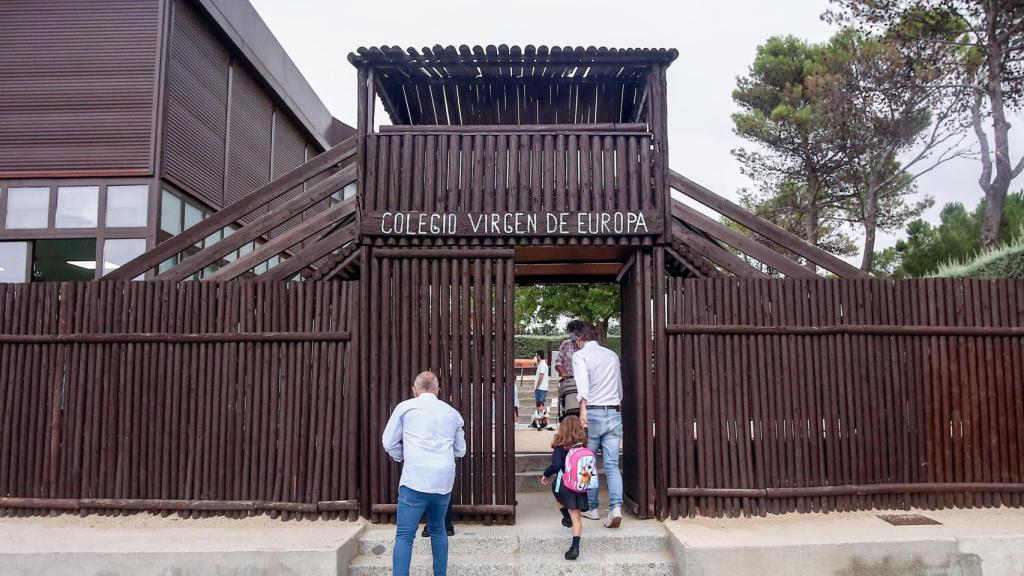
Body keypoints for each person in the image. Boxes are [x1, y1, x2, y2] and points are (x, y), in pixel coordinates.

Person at [382, 371, 466, 576]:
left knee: (404, 536)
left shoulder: (405, 407)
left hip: (415, 478)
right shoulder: (453, 413)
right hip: (443, 481)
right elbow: (460, 450)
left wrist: (401, 456)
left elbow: (388, 442)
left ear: (414, 390)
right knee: (438, 530)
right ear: (438, 390)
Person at [571, 321, 624, 528]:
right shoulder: (612, 355)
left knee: (589, 464)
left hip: (592, 411)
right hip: (613, 411)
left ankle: (592, 508)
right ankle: (615, 507)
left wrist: (583, 407)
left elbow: (582, 382)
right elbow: (619, 388)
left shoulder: (580, 356)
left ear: (579, 339)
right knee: (611, 465)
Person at [541, 415, 590, 560]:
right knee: (577, 517)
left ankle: (565, 516)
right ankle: (575, 547)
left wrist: (546, 474)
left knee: (555, 490)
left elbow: (556, 466)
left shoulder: (560, 446)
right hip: (579, 484)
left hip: (564, 483)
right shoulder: (582, 445)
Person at [556, 320, 582, 421]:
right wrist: (563, 373)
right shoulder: (565, 344)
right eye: (570, 331)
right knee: (569, 413)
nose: (572, 334)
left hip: (583, 384)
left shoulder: (585, 346)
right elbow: (558, 363)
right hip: (569, 384)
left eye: (574, 331)